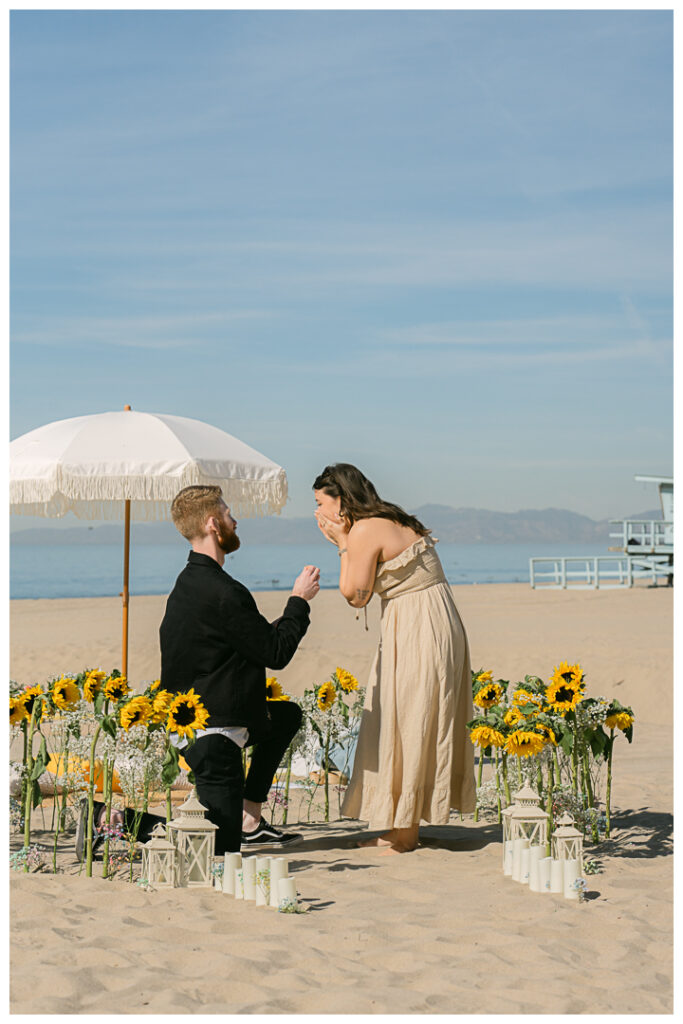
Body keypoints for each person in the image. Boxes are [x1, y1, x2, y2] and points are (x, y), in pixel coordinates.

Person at [313, 463, 476, 854]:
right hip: (431, 620)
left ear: (341, 502)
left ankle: (403, 834)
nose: (317, 514)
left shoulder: (366, 529)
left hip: (420, 626)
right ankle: (406, 827)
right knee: (413, 714)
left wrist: (341, 543)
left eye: (320, 504)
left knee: (409, 715)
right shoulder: (386, 517)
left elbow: (355, 594)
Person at [159, 484, 320, 855]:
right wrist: (298, 601)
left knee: (285, 716)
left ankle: (250, 816)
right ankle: (110, 820)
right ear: (214, 524)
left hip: (203, 722)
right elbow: (276, 652)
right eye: (230, 514)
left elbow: (254, 642)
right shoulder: (223, 592)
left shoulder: (187, 584)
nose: (236, 520)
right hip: (215, 735)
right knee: (219, 845)